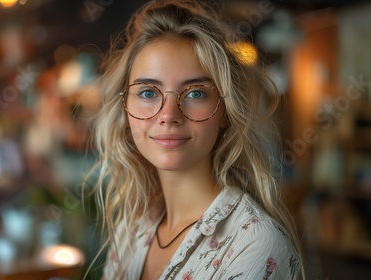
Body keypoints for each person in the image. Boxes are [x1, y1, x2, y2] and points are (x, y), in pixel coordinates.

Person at [83, 0, 305, 279]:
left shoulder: (253, 244)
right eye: (148, 93)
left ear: (225, 111)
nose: (168, 115)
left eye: (195, 93)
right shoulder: (133, 229)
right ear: (125, 106)